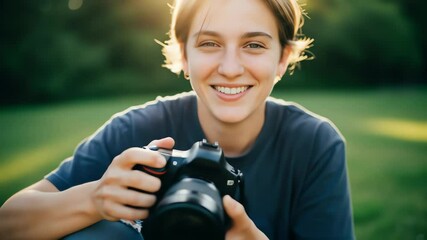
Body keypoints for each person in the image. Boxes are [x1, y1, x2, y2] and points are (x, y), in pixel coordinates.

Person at [0, 0, 355, 239]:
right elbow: (8, 222)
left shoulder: (314, 144)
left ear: (283, 58)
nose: (230, 69)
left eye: (254, 45)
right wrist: (93, 199)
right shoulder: (136, 131)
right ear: (183, 55)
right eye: (209, 44)